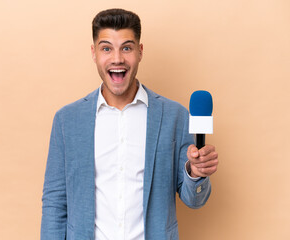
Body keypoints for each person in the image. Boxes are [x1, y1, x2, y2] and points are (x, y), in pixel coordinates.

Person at [41, 8, 218, 240]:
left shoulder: (175, 116)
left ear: (140, 51)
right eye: (106, 48)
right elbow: (54, 202)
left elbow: (194, 200)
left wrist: (196, 175)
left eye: (126, 47)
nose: (117, 59)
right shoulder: (67, 120)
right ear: (94, 53)